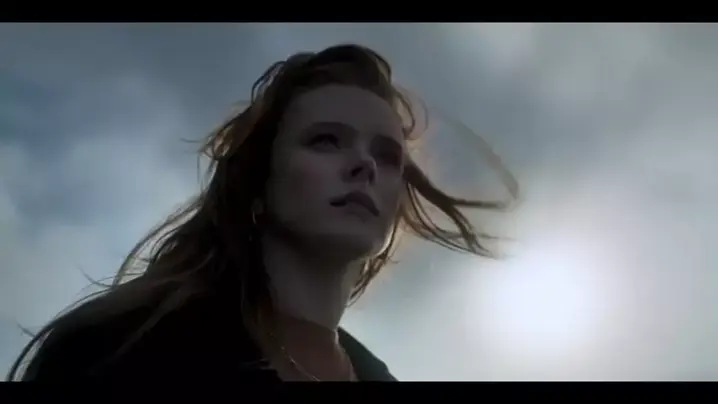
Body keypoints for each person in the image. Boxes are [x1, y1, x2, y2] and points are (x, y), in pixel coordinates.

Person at [8, 44, 517, 382]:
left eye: (386, 156)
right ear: (258, 183)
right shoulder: (122, 349)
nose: (364, 164)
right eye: (326, 140)